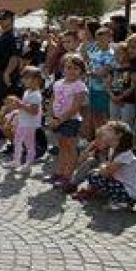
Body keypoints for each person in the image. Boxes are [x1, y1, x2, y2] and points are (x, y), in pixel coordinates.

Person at [72, 121, 136, 210]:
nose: (105, 130)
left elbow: (106, 172)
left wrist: (102, 168)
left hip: (133, 192)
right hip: (123, 185)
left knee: (95, 175)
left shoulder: (125, 155)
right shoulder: (113, 149)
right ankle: (100, 193)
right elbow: (106, 168)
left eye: (109, 129)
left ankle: (123, 202)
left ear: (118, 135)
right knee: (95, 174)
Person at [46, 54, 88, 190]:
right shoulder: (58, 83)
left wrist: (60, 120)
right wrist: (51, 116)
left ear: (81, 71)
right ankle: (60, 172)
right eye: (68, 67)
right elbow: (52, 100)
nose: (71, 71)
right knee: (62, 146)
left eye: (75, 68)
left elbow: (75, 107)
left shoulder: (79, 86)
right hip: (57, 120)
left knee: (71, 148)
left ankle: (68, 175)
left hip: (71, 120)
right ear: (63, 69)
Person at [3, 66, 43, 173]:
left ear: (36, 80)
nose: (23, 80)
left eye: (27, 78)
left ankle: (28, 165)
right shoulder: (27, 91)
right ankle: (16, 160)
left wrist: (20, 104)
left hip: (30, 124)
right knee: (17, 141)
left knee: (29, 144)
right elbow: (25, 106)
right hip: (23, 121)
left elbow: (34, 111)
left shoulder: (36, 95)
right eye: (24, 78)